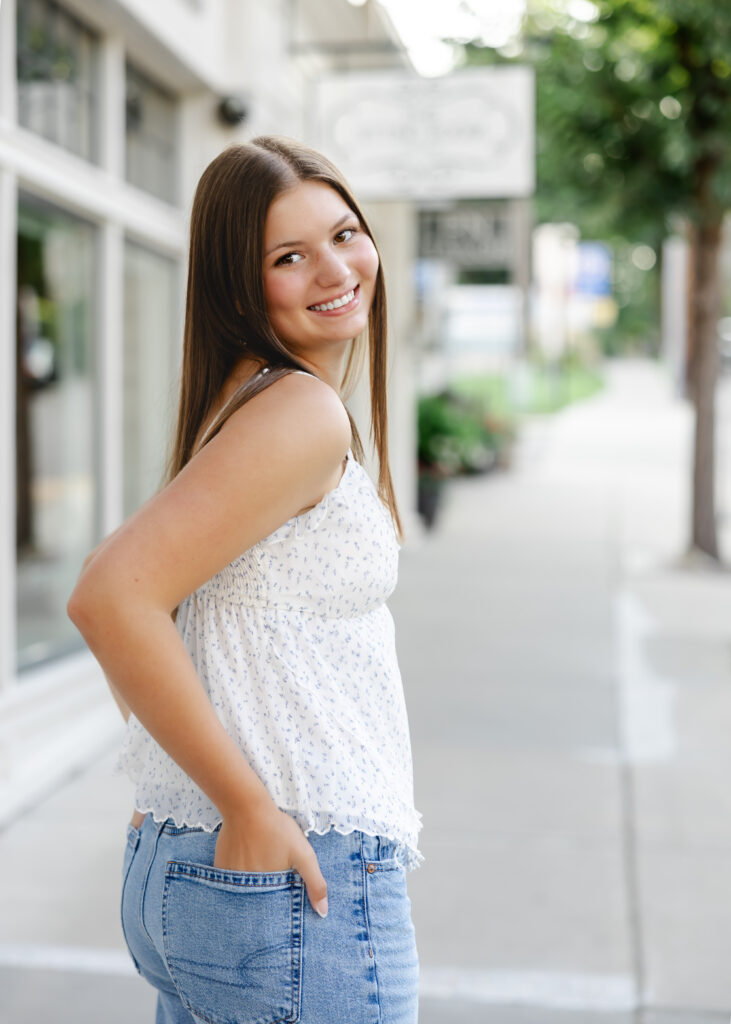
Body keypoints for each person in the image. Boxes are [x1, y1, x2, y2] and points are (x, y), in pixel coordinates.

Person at [67, 135, 424, 1024]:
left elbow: (116, 583)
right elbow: (109, 595)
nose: (335, 269)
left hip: (202, 865)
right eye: (288, 257)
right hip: (296, 871)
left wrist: (192, 778)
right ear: (237, 284)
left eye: (344, 234)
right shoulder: (298, 411)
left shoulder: (242, 400)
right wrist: (248, 806)